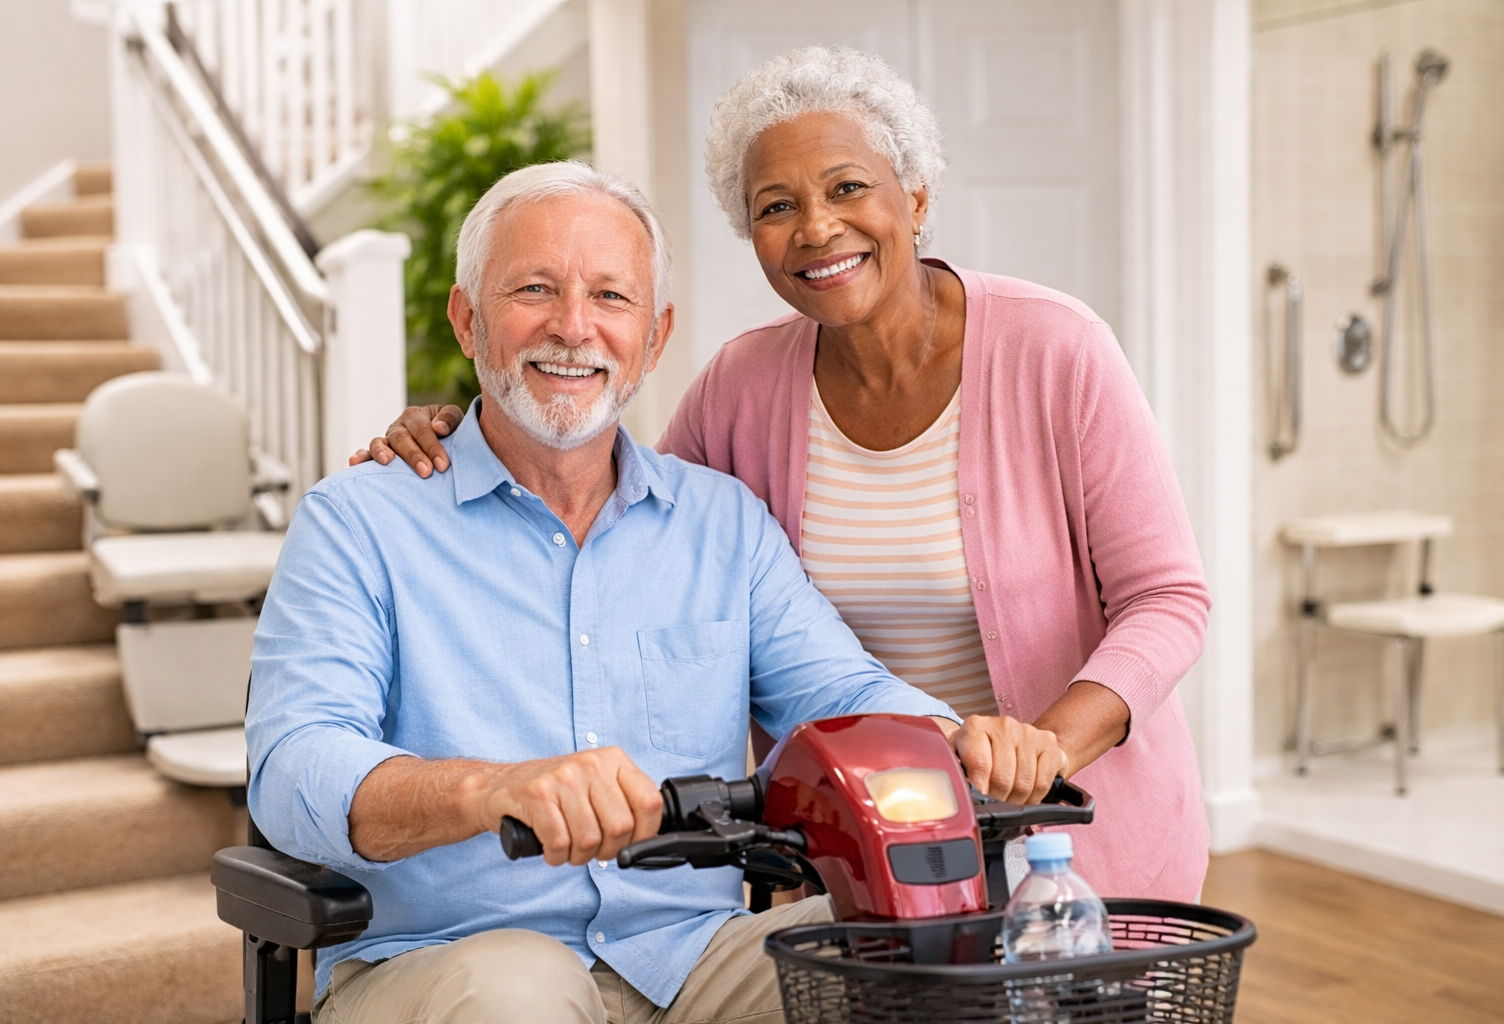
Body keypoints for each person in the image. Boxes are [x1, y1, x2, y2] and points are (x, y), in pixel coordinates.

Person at [361, 47, 1213, 904]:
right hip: (867, 835)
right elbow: (618, 505)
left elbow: (1168, 599)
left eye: (847, 187)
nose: (816, 227)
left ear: (913, 198)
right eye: (777, 206)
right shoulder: (745, 385)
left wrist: (1047, 749)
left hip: (1066, 827)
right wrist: (468, 424)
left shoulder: (1056, 349)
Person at [250, 160, 1064, 1024]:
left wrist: (952, 737)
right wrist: (489, 791)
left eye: (611, 297)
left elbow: (839, 691)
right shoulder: (358, 522)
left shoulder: (723, 524)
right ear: (468, 320)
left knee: (913, 957)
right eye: (534, 289)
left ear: (655, 334)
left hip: (689, 954)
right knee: (519, 995)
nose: (574, 328)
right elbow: (294, 765)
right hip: (443, 959)